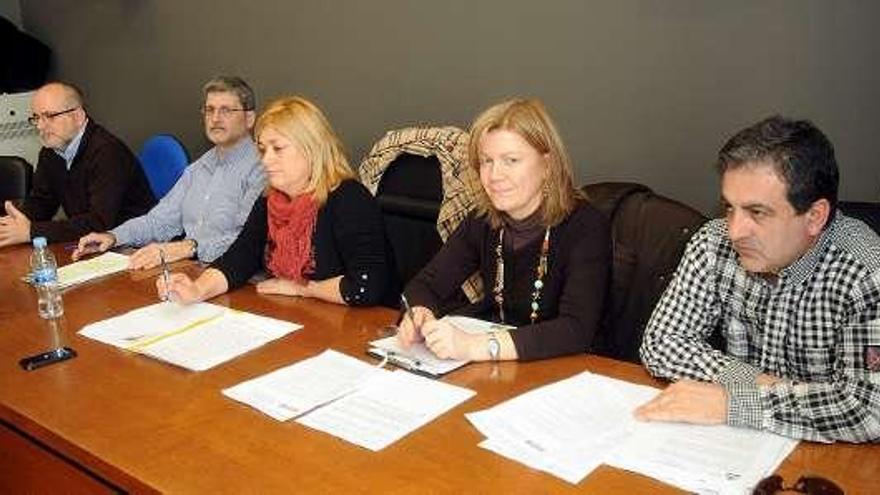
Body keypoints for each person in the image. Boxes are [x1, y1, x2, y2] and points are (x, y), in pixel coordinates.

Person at [637, 116, 880, 443]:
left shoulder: (867, 273)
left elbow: (868, 409)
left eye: (757, 212)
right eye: (729, 207)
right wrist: (756, 382)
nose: (735, 231)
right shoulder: (713, 242)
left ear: (814, 217)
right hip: (740, 448)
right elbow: (661, 344)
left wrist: (732, 402)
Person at [396, 98, 611, 362]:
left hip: (563, 370)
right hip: (498, 372)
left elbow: (576, 329)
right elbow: (426, 285)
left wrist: (476, 347)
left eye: (511, 160)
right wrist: (419, 313)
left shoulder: (586, 225)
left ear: (548, 165)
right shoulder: (483, 220)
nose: (494, 175)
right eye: (486, 161)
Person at [157, 96, 395, 307]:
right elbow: (239, 258)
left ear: (312, 148)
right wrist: (197, 289)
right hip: (296, 316)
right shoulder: (271, 199)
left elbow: (366, 285)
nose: (266, 161)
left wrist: (302, 289)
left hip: (355, 327)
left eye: (278, 149)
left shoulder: (349, 199)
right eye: (262, 150)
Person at [72, 76, 265, 269]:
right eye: (209, 110)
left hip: (240, 276)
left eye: (226, 110)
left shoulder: (263, 168)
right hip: (192, 271)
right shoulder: (198, 169)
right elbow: (159, 221)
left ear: (249, 119)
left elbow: (249, 242)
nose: (215, 118)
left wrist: (189, 248)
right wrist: (113, 236)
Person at [0, 82, 155, 246]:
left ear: (78, 117)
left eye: (50, 116)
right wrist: (12, 224)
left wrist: (31, 232)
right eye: (37, 118)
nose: (40, 126)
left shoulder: (108, 152)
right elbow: (42, 202)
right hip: (90, 243)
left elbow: (99, 223)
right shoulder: (51, 150)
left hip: (132, 244)